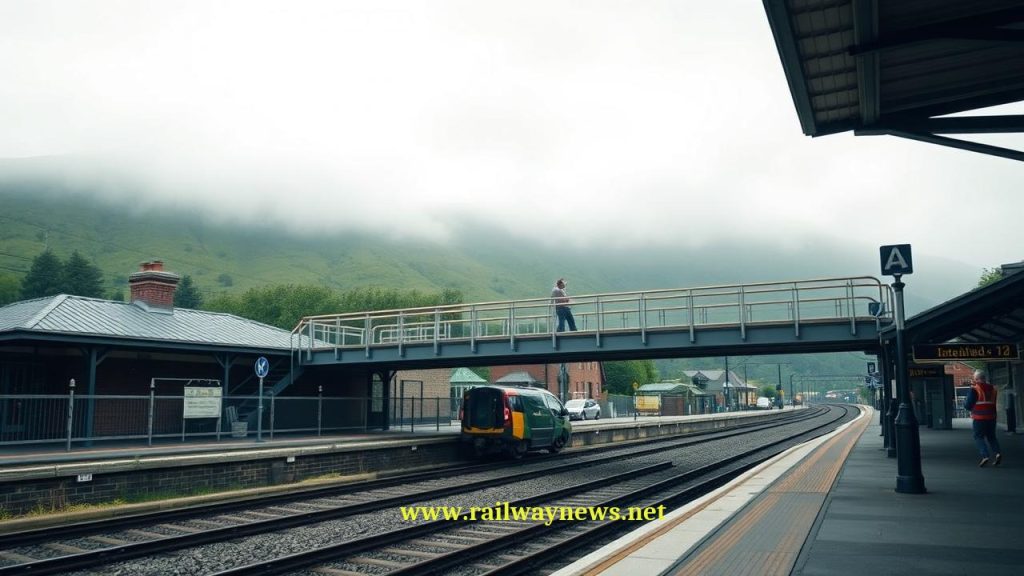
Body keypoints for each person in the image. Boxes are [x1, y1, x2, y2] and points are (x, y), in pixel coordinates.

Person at [965, 369, 1002, 467]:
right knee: (992, 437)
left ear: (976, 379)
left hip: (979, 417)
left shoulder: (974, 389)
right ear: (984, 378)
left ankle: (985, 455)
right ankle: (998, 453)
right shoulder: (993, 389)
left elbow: (968, 405)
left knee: (978, 437)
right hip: (991, 417)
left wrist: (968, 405)